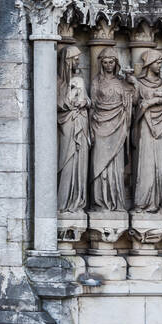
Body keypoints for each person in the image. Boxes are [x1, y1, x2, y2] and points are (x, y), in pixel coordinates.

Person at [130, 49, 162, 212]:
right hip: (146, 126)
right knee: (146, 164)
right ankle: (143, 202)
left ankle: (158, 203)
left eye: (161, 63)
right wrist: (135, 86)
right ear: (149, 64)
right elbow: (135, 103)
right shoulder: (140, 83)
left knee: (161, 164)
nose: (160, 66)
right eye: (158, 63)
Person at [89, 52, 133, 211]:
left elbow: (132, 102)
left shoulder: (121, 82)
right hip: (100, 126)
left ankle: (116, 201)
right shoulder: (96, 82)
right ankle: (100, 202)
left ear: (116, 64)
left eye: (111, 62)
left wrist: (132, 85)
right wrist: (90, 130)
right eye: (105, 62)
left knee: (116, 165)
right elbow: (92, 106)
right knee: (100, 164)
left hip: (118, 125)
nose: (108, 65)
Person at [56, 47, 90, 213]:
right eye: (75, 59)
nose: (78, 62)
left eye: (78, 59)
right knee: (67, 161)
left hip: (81, 123)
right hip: (68, 125)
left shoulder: (80, 79)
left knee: (80, 162)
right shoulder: (57, 81)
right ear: (67, 61)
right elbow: (58, 104)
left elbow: (87, 99)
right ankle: (64, 201)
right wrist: (71, 96)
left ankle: (77, 201)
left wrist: (85, 102)